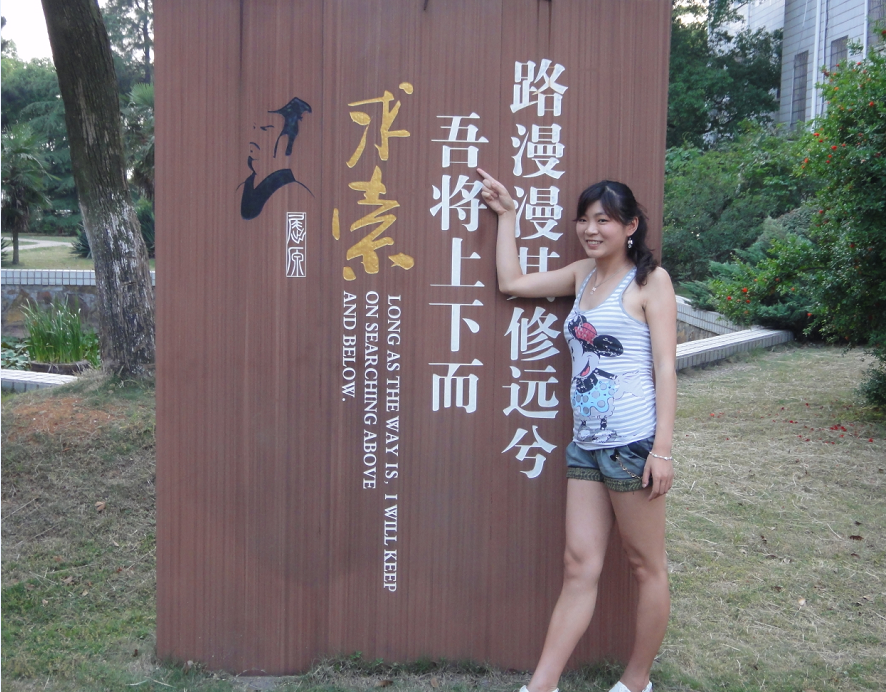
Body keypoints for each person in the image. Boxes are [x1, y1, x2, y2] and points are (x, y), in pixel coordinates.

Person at [477, 169, 677, 692]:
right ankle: (541, 685)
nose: (591, 230)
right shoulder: (582, 275)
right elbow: (512, 284)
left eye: (604, 220)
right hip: (586, 445)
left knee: (645, 566)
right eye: (584, 220)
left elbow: (665, 367)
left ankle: (636, 682)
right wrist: (508, 216)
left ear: (630, 226)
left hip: (633, 446)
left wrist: (662, 450)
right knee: (578, 566)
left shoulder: (650, 281)